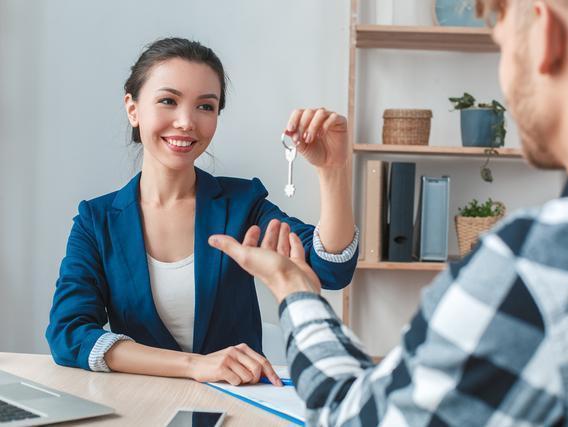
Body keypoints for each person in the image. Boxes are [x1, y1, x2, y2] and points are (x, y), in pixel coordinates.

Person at [209, 0, 568, 424]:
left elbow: (359, 415)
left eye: (502, 48)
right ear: (135, 108)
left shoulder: (546, 263)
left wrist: (292, 285)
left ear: (546, 35)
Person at [45, 37, 359, 386]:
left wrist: (332, 171)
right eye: (168, 101)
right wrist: (194, 365)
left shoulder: (243, 203)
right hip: (142, 408)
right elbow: (68, 334)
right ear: (133, 108)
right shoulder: (96, 221)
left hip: (237, 405)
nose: (186, 122)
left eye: (205, 107)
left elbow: (332, 269)